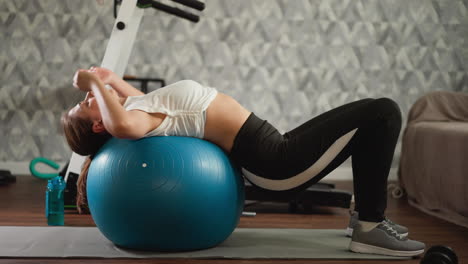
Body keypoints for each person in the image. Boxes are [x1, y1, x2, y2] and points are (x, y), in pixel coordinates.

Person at [62, 66, 425, 257]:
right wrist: (93, 81)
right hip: (275, 163)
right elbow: (122, 124)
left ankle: (365, 220)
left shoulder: (141, 108)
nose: (87, 96)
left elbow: (140, 103)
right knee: (383, 112)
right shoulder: (130, 121)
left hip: (273, 145)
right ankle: (369, 229)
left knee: (372, 116)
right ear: (99, 124)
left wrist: (113, 82)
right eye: (84, 102)